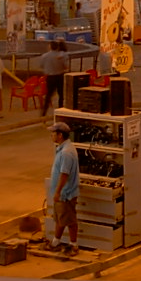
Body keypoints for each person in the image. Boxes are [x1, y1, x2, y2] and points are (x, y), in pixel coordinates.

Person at [45, 121, 79, 256]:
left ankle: (73, 245)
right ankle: (55, 242)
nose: (51, 136)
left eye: (53, 133)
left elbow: (64, 174)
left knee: (70, 220)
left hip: (66, 193)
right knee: (60, 218)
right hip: (62, 193)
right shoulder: (63, 148)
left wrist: (58, 192)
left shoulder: (66, 152)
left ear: (60, 135)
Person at [39, 40, 68, 116]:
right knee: (61, 94)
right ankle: (61, 109)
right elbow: (65, 66)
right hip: (59, 76)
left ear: (50, 47)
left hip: (50, 77)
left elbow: (41, 65)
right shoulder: (62, 56)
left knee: (48, 94)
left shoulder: (45, 56)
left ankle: (44, 111)